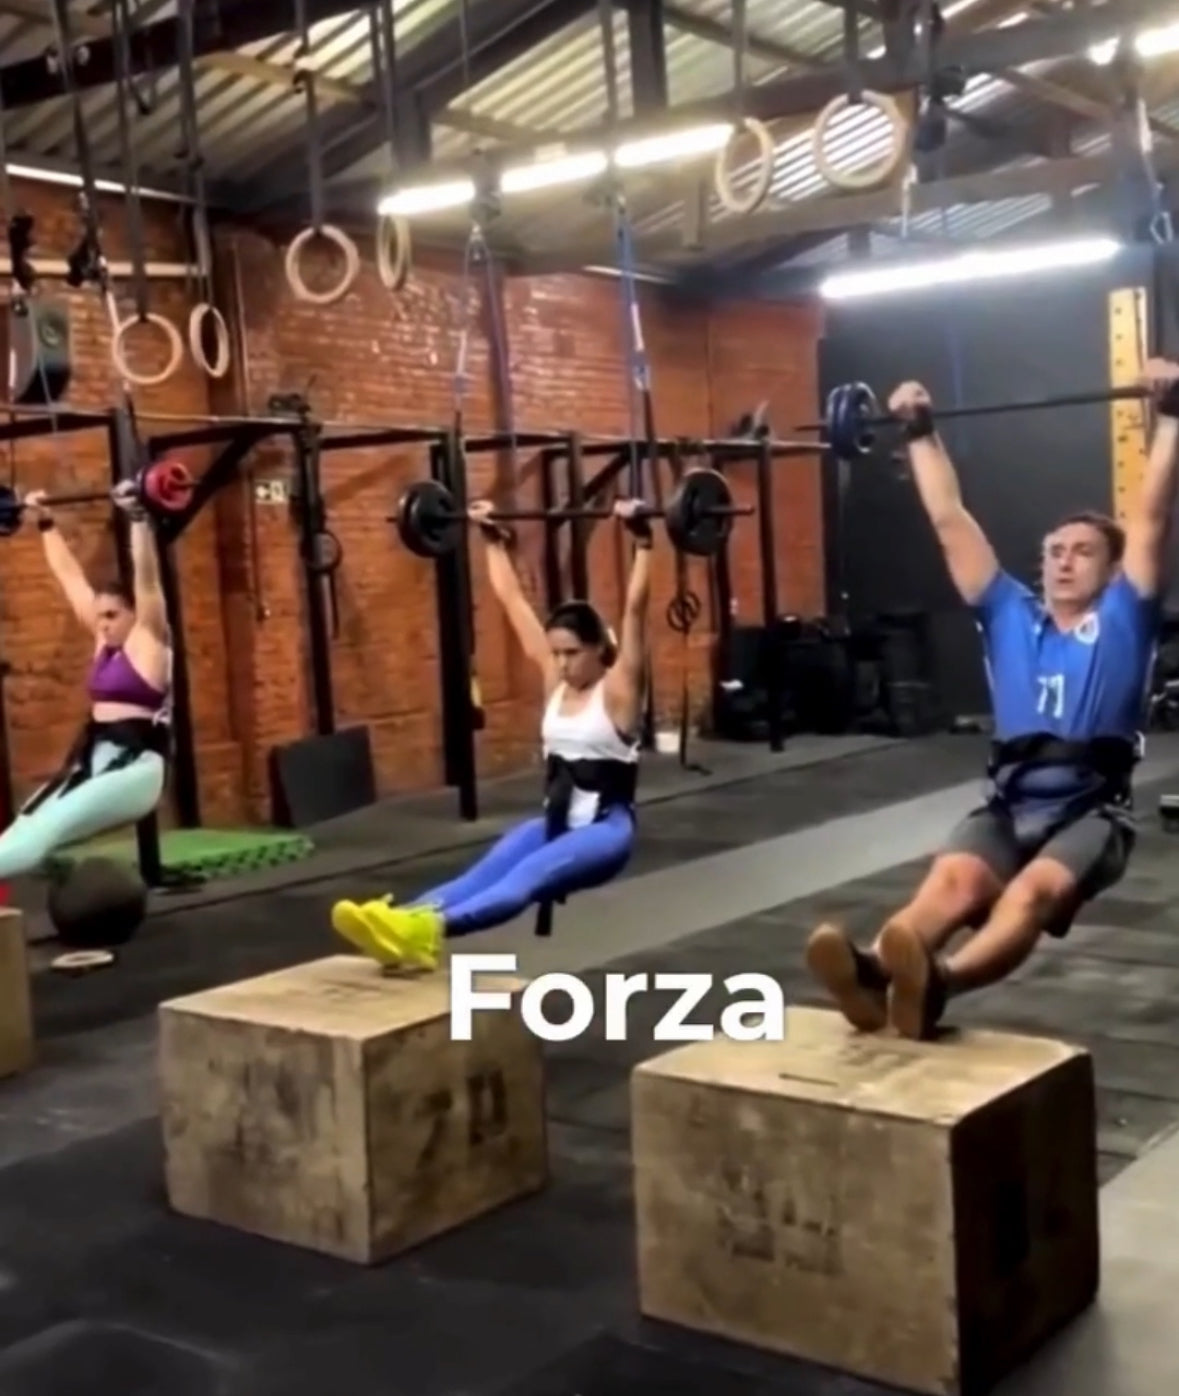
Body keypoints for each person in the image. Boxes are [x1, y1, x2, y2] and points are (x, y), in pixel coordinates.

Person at [806, 359, 1179, 1040]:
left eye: (1082, 552)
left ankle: (939, 983)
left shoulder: (1126, 617)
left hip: (1091, 812)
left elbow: (1152, 518)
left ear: (1111, 570)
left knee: (1034, 893)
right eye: (1054, 550)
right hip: (1008, 805)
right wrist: (919, 434)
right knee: (949, 883)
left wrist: (1173, 418)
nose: (1062, 560)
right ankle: (874, 973)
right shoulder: (1010, 614)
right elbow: (949, 520)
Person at [332, 495, 654, 971]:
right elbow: (511, 601)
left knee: (523, 879)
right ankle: (398, 922)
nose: (562, 663)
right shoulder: (555, 683)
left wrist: (643, 542)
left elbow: (635, 613)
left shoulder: (619, 692)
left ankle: (429, 931)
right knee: (479, 876)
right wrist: (491, 542)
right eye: (556, 653)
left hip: (605, 832)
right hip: (555, 824)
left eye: (571, 653)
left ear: (597, 650)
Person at [0, 480, 172, 879]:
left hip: (137, 770)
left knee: (40, 835)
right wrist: (46, 523)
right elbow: (70, 578)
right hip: (95, 760)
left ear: (133, 615)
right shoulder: (103, 640)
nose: (104, 624)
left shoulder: (148, 640)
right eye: (100, 617)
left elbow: (148, 581)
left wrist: (138, 518)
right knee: (25, 823)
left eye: (112, 616)